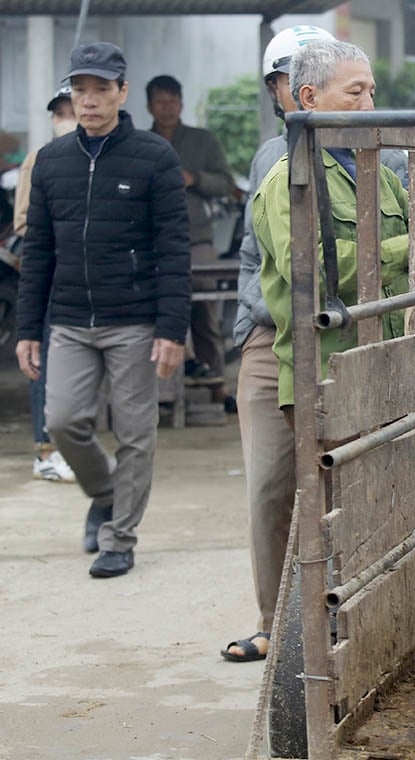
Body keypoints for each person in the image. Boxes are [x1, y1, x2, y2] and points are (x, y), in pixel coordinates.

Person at [229, 38, 415, 660]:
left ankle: (365, 626)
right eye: (354, 91)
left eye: (371, 90)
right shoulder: (287, 180)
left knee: (371, 501)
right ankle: (304, 635)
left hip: (379, 365)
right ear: (308, 98)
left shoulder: (380, 170)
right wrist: (412, 248)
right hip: (323, 369)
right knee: (320, 507)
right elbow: (316, 270)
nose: (369, 100)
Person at [15, 41, 191, 578]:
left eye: (99, 90)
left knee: (135, 432)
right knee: (63, 421)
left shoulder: (154, 157)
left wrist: (170, 327)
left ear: (121, 92)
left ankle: (121, 537)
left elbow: (173, 247)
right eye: (79, 90)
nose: (88, 101)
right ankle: (105, 491)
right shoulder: (51, 162)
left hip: (134, 320)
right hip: (68, 319)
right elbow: (39, 249)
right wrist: (28, 328)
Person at [222, 23, 333, 663]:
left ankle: (338, 614)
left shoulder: (385, 156)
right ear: (278, 90)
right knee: (269, 485)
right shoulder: (271, 158)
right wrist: (256, 324)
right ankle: (276, 623)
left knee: (342, 480)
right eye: (290, 77)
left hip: (343, 337)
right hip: (272, 341)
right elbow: (252, 257)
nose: (303, 89)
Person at [146, 74, 236, 404]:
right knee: (156, 314)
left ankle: (218, 387)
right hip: (152, 242)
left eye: (172, 101)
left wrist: (194, 178)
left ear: (181, 104)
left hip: (197, 239)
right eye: (160, 102)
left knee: (205, 313)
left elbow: (227, 183)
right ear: (149, 106)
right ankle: (161, 389)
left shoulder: (203, 140)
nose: (166, 108)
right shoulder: (141, 143)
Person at [11, 86, 78, 484]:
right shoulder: (40, 159)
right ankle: (45, 450)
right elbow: (24, 222)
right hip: (51, 279)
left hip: (92, 282)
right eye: (60, 112)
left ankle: (71, 448)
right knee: (45, 361)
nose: (67, 117)